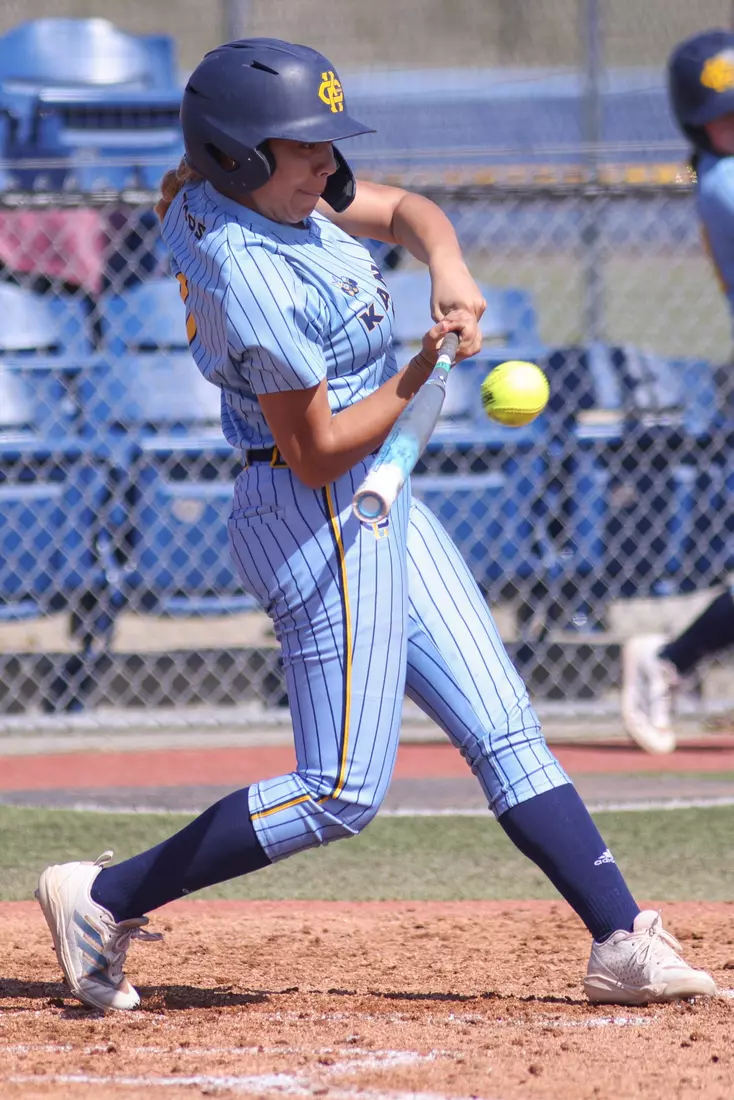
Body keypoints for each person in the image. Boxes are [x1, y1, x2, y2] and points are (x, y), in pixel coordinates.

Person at [35, 37, 715, 1012]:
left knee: (504, 726)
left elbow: (406, 212)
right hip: (315, 512)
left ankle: (620, 939)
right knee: (339, 790)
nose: (326, 162)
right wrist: (420, 371)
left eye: (325, 143)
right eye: (302, 145)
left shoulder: (271, 197)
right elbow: (314, 449)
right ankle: (103, 897)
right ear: (236, 155)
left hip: (377, 489)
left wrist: (447, 265)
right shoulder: (247, 270)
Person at [622, 28, 734, 754]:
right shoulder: (723, 184)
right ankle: (667, 663)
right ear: (697, 123)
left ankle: (671, 661)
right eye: (724, 114)